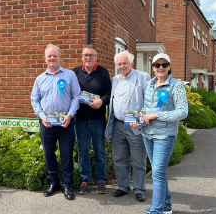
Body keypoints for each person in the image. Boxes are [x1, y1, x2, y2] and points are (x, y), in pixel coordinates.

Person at [132, 53, 188, 214]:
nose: (161, 68)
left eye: (164, 65)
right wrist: (139, 118)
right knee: (158, 171)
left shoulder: (176, 86)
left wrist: (156, 115)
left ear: (169, 66)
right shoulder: (150, 85)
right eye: (157, 65)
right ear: (153, 67)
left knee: (157, 172)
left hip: (165, 135)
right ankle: (166, 206)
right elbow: (147, 110)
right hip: (147, 134)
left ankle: (157, 210)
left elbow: (182, 112)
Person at [31, 44, 80, 200]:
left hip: (65, 122)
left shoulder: (70, 75)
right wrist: (41, 115)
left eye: (55, 55)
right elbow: (34, 99)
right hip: (47, 123)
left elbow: (76, 96)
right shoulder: (40, 79)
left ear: (60, 57)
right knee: (48, 154)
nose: (52, 58)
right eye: (49, 56)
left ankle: (66, 185)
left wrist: (70, 115)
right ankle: (52, 183)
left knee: (66, 154)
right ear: (45, 58)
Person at [105, 50, 150, 202]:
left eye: (125, 63)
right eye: (119, 64)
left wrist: (141, 117)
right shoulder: (115, 80)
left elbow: (149, 101)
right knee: (119, 158)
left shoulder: (143, 77)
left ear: (132, 63)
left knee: (138, 159)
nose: (122, 66)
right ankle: (123, 186)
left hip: (135, 124)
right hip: (117, 124)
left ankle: (139, 189)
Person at [72, 44, 111, 195]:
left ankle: (101, 179)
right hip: (80, 120)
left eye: (91, 55)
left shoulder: (103, 72)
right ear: (82, 57)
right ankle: (85, 179)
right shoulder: (74, 72)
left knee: (100, 151)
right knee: (83, 152)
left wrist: (101, 101)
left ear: (96, 57)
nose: (88, 57)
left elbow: (108, 93)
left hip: (98, 120)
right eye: (85, 55)